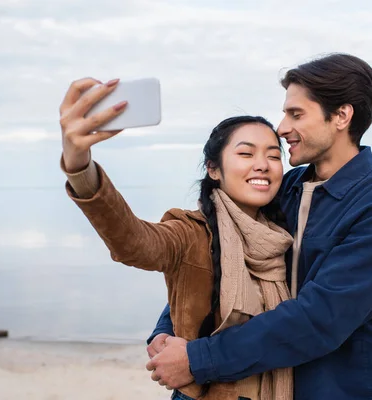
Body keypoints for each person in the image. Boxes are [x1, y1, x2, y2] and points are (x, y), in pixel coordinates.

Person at [146, 53, 372, 400]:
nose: (281, 128)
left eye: (296, 113)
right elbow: (222, 257)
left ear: (341, 116)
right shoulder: (285, 188)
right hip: (278, 386)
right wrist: (167, 330)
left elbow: (319, 319)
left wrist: (198, 359)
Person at [58, 77, 298, 400]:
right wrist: (79, 166)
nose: (262, 165)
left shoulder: (285, 236)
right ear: (214, 169)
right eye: (245, 153)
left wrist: (164, 327)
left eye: (273, 155)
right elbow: (133, 241)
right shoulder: (190, 233)